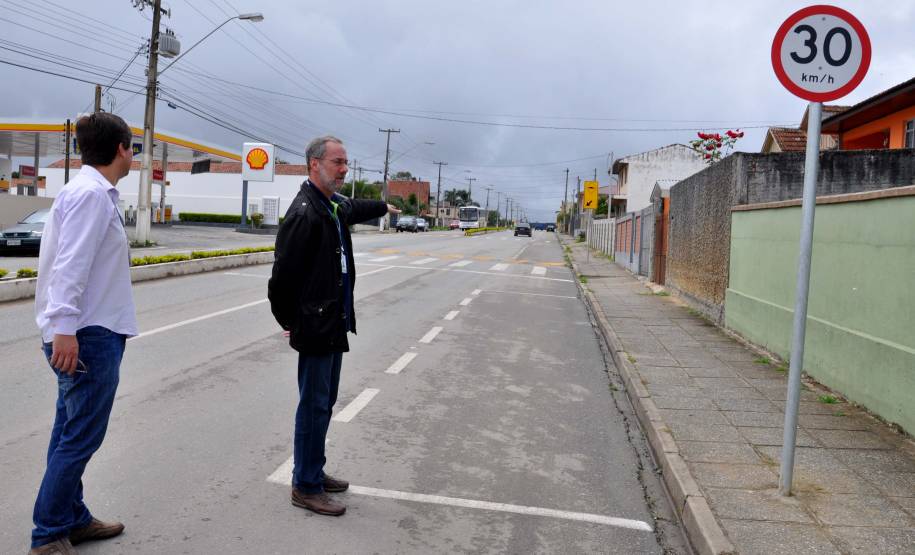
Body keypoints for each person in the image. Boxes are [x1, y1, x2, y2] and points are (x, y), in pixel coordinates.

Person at [268, 136, 400, 516]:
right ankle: (305, 486)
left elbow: (354, 207)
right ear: (314, 164)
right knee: (313, 406)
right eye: (338, 162)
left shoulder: (330, 205)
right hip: (315, 326)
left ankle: (314, 470)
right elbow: (281, 281)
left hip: (332, 322)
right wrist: (291, 322)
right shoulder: (304, 213)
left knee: (324, 403)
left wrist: (382, 206)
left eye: (346, 163)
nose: (344, 170)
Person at [30, 113, 138, 554]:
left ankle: (71, 517)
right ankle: (48, 533)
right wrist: (65, 330)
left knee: (68, 433)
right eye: (132, 147)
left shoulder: (89, 192)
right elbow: (70, 267)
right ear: (120, 150)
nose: (132, 155)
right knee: (80, 438)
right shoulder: (92, 195)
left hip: (86, 330)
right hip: (87, 334)